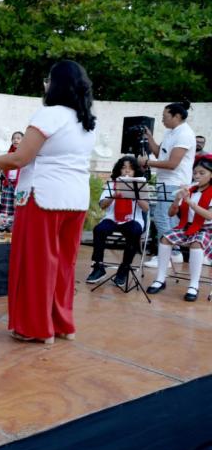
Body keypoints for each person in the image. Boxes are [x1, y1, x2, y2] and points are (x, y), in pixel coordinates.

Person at [0, 60, 96, 344]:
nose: (46, 84)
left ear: (56, 83)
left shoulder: (49, 114)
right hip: (75, 199)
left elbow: (19, 158)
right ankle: (62, 324)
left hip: (43, 197)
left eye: (48, 79)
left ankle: (36, 328)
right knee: (64, 264)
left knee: (35, 264)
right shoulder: (87, 120)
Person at [138, 101, 196, 268]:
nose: (162, 120)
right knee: (169, 221)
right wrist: (149, 138)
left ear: (177, 116)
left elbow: (172, 164)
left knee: (161, 218)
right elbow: (160, 154)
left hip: (174, 182)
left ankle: (168, 254)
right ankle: (174, 253)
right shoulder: (171, 132)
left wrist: (147, 162)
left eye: (165, 117)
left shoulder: (184, 134)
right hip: (166, 181)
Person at [146, 155, 212, 301]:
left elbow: (209, 216)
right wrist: (177, 199)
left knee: (196, 243)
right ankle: (160, 279)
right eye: (195, 173)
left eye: (202, 173)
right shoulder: (191, 190)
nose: (197, 176)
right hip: (186, 227)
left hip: (206, 230)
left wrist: (191, 203)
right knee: (165, 238)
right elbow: (171, 213)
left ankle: (194, 285)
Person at [85, 156, 149, 286]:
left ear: (135, 172)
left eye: (130, 169)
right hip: (112, 218)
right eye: (124, 168)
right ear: (119, 170)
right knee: (99, 230)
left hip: (133, 219)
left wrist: (135, 194)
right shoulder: (112, 185)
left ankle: (124, 269)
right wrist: (114, 195)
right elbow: (102, 205)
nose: (126, 172)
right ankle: (98, 266)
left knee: (135, 231)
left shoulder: (140, 186)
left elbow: (146, 208)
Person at [0, 131, 24, 216]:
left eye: (18, 138)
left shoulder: (25, 155)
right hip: (8, 183)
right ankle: (5, 226)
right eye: (13, 138)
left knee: (18, 207)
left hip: (20, 185)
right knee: (6, 208)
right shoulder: (9, 154)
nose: (15, 140)